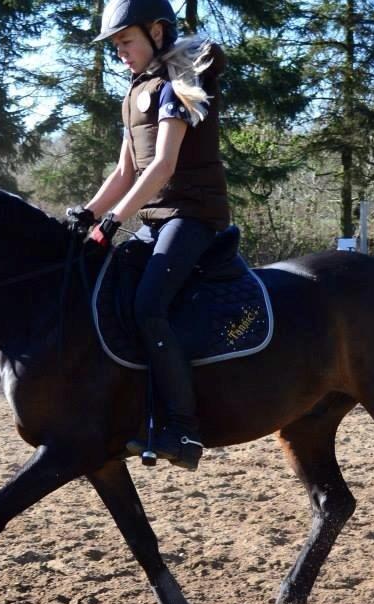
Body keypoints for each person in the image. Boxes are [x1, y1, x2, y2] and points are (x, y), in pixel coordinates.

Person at [66, 0, 230, 471]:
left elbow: (162, 166)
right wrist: (88, 214)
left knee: (149, 304)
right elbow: (124, 170)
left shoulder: (179, 86)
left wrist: (115, 221)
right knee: (109, 288)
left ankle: (183, 429)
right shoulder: (135, 92)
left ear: (157, 32)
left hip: (192, 215)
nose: (120, 52)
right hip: (156, 218)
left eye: (125, 41)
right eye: (115, 45)